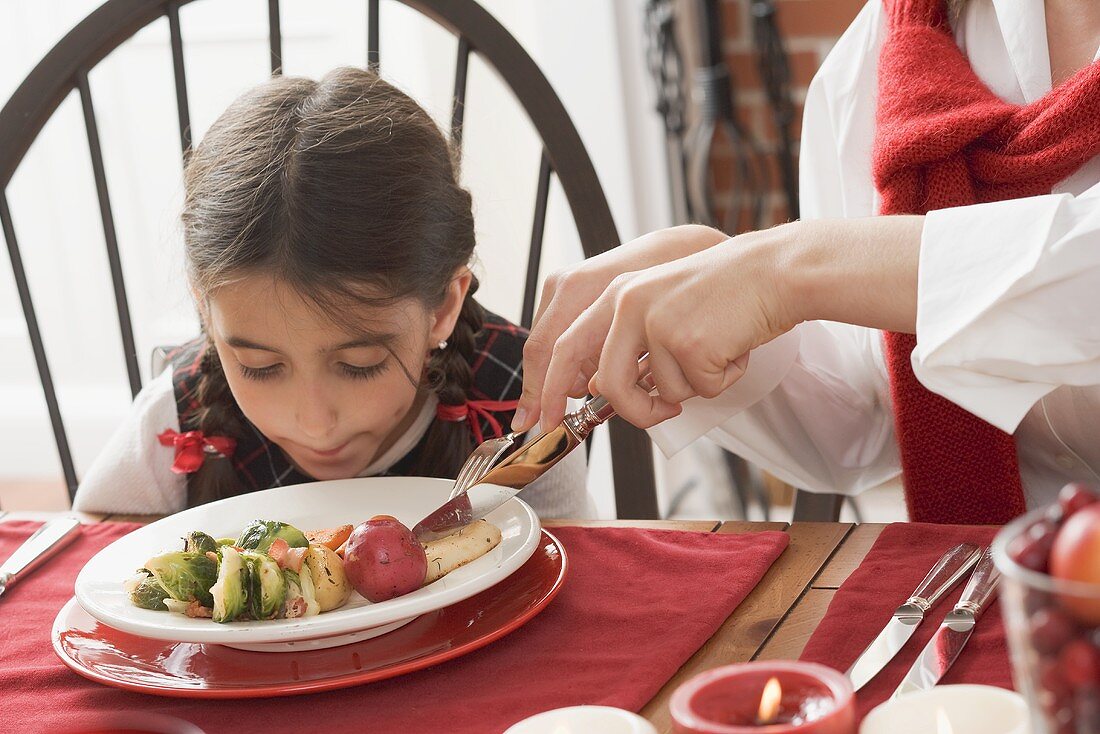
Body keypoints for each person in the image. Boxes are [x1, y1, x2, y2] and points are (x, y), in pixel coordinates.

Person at [513, 0, 1100, 524]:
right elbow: (864, 425)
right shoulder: (888, 47)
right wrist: (705, 266)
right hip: (1006, 601)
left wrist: (791, 269)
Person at [73, 67, 593, 518]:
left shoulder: (521, 400)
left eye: (360, 363)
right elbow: (93, 551)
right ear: (206, 313)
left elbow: (575, 566)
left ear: (443, 305)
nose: (315, 424)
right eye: (259, 365)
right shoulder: (182, 415)